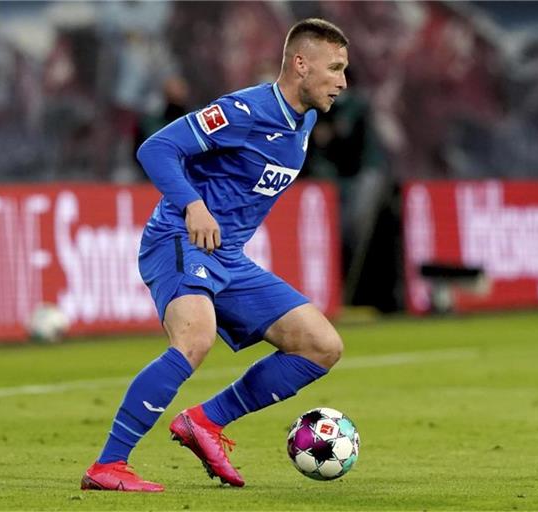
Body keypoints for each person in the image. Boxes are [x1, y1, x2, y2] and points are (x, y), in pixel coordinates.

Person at [81, 18, 349, 492]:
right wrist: (193, 205)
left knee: (321, 345)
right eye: (335, 68)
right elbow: (157, 148)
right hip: (179, 240)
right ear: (300, 64)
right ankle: (109, 465)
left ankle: (205, 421)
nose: (343, 83)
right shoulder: (246, 109)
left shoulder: (304, 120)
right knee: (195, 338)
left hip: (228, 257)